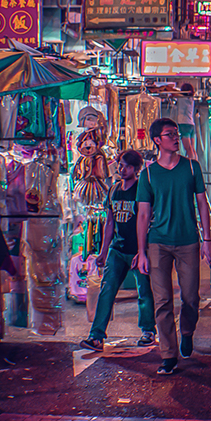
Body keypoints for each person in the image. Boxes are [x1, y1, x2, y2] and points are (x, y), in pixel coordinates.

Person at [135, 118, 211, 376]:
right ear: (157, 140)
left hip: (188, 240)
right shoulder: (147, 174)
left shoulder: (191, 167)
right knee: (162, 301)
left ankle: (187, 331)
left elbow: (202, 204)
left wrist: (208, 240)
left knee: (190, 298)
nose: (176, 138)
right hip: (158, 243)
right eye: (170, 135)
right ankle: (168, 354)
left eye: (177, 134)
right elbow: (143, 215)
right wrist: (142, 251)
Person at [80, 150, 156, 352]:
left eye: (126, 166)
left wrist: (143, 250)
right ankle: (96, 336)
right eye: (120, 165)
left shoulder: (142, 189)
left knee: (145, 292)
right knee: (107, 290)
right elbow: (109, 223)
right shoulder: (113, 189)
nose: (121, 169)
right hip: (118, 248)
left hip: (138, 250)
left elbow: (146, 219)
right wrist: (103, 251)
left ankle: (148, 331)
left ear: (136, 169)